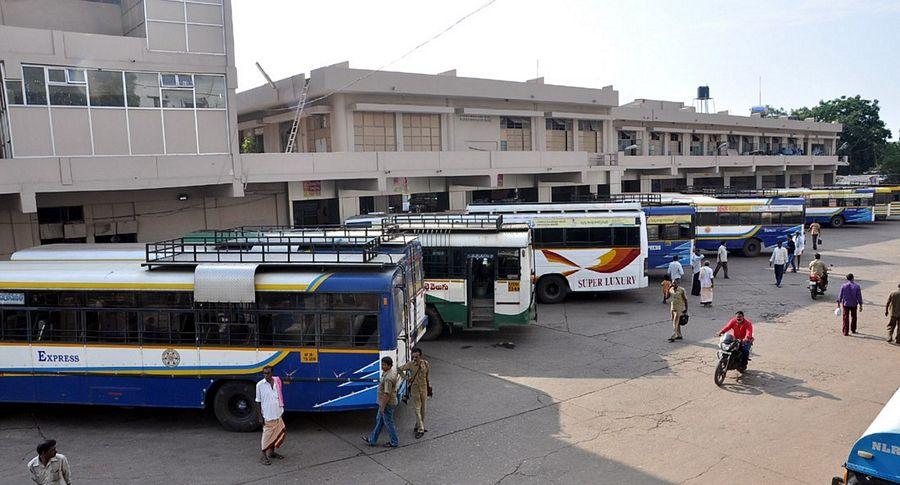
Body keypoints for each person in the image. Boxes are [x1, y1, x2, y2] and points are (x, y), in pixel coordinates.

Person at [363, 356, 400, 448]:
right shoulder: (388, 372)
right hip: (385, 403)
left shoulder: (388, 378)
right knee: (379, 421)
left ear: (389, 366)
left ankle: (394, 442)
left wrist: (382, 408)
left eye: (384, 365)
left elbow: (387, 394)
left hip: (387, 404)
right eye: (382, 364)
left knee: (389, 423)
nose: (382, 366)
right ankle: (372, 440)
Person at [255, 365, 286, 465]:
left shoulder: (277, 382)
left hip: (277, 413)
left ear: (272, 373)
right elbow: (258, 401)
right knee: (267, 435)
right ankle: (263, 456)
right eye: (264, 373)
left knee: (276, 433)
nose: (266, 375)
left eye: (268, 373)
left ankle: (271, 453)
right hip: (267, 415)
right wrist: (260, 416)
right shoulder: (260, 385)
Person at [398, 347, 432, 439]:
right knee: (417, 407)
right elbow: (399, 369)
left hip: (424, 387)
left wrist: (429, 387)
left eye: (416, 357)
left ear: (420, 356)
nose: (414, 359)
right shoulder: (410, 364)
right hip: (414, 388)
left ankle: (418, 425)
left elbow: (427, 376)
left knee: (423, 408)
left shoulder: (425, 363)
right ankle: (421, 429)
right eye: (413, 357)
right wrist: (406, 378)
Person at [667, 278, 688, 343]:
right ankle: (679, 335)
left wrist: (686, 309)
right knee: (676, 322)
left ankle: (673, 336)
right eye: (673, 283)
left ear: (678, 284)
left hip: (679, 308)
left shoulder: (682, 290)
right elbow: (667, 297)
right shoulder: (671, 289)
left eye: (675, 283)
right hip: (673, 307)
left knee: (675, 322)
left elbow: (685, 300)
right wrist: (668, 289)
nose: (674, 284)